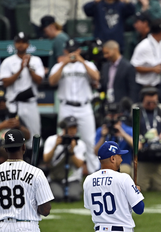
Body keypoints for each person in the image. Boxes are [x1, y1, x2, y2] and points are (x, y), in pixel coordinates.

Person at [49, 38, 101, 173]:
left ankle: (94, 173)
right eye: (69, 51)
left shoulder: (87, 64)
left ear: (79, 50)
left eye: (74, 51)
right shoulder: (59, 66)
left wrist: (81, 61)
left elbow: (96, 77)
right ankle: (61, 174)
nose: (72, 54)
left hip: (84, 107)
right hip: (66, 107)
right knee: (63, 139)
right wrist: (63, 63)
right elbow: (52, 81)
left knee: (89, 141)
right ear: (65, 51)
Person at [0, 32, 46, 151]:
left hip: (30, 104)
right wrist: (20, 68)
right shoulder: (8, 61)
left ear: (28, 44)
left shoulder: (36, 60)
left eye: (24, 42)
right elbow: (5, 83)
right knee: (12, 136)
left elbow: (39, 80)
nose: (21, 45)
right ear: (15, 44)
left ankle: (33, 159)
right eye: (18, 42)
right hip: (13, 105)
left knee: (35, 135)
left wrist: (28, 66)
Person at [43, 116, 89, 202]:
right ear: (64, 128)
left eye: (74, 127)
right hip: (55, 178)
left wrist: (71, 151)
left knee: (74, 196)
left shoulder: (80, 143)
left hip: (73, 179)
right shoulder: (52, 140)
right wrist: (55, 146)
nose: (72, 130)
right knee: (57, 196)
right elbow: (46, 159)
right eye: (70, 127)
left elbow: (79, 165)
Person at [136, 87, 161, 191]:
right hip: (143, 158)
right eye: (148, 102)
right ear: (142, 100)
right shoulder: (136, 111)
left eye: (154, 102)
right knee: (140, 188)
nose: (151, 104)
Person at [95, 101, 136, 175]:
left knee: (124, 171)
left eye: (114, 114)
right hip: (105, 168)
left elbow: (138, 147)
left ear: (120, 115)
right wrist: (103, 137)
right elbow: (95, 153)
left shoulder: (127, 130)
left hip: (123, 165)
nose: (112, 117)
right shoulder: (101, 130)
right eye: (110, 114)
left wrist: (123, 134)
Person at [131, 19, 161, 88]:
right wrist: (152, 69)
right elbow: (133, 67)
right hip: (143, 85)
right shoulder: (143, 46)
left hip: (158, 83)